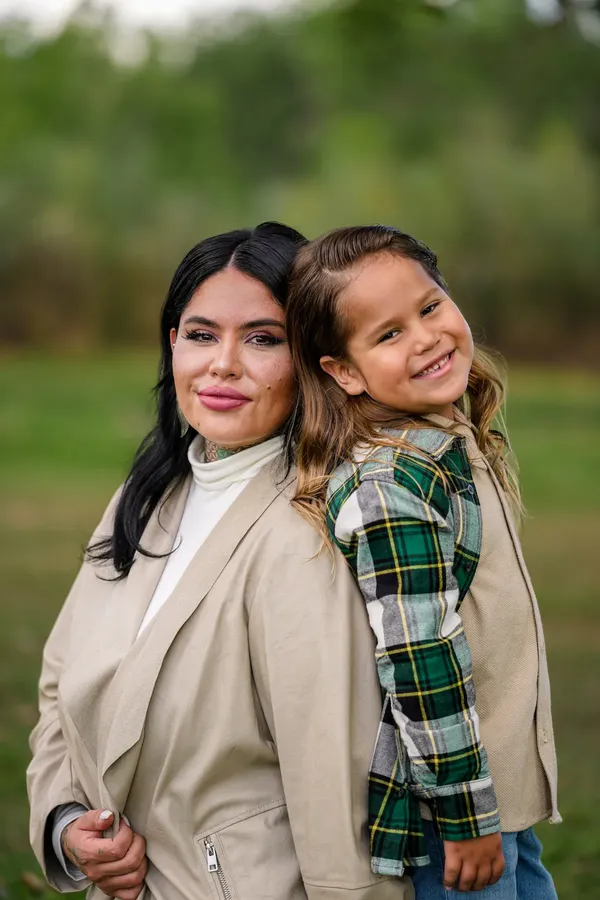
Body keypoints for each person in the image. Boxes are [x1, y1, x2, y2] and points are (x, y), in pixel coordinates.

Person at [27, 222, 413, 900]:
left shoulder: (308, 533)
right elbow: (62, 681)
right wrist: (64, 823)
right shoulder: (148, 496)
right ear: (172, 344)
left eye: (262, 339)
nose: (223, 364)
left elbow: (335, 790)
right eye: (201, 334)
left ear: (315, 359)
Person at [285, 225, 560, 899]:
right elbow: (418, 657)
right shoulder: (390, 488)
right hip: (455, 817)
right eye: (387, 335)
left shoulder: (442, 436)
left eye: (430, 307)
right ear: (343, 371)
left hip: (499, 803)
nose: (426, 337)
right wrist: (467, 816)